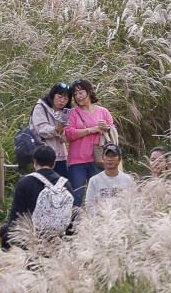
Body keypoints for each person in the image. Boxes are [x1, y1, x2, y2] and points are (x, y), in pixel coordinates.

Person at [7, 144, 74, 241]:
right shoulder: (65, 184)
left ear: (35, 162)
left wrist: (14, 240)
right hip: (58, 241)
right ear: (54, 163)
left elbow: (17, 216)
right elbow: (72, 214)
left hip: (32, 240)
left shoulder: (25, 182)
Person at [64, 79, 115, 207]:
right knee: (76, 196)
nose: (78, 97)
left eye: (80, 93)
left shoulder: (103, 112)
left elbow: (113, 132)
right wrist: (91, 130)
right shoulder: (72, 113)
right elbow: (69, 133)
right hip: (77, 161)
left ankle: (100, 219)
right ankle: (74, 220)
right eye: (75, 94)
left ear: (89, 91)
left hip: (97, 159)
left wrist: (107, 127)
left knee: (100, 196)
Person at [26, 84, 71, 177]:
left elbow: (66, 138)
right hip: (44, 155)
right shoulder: (40, 107)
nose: (62, 101)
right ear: (53, 95)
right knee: (44, 183)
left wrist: (63, 129)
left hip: (61, 156)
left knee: (61, 184)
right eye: (60, 97)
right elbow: (42, 130)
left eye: (66, 98)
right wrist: (57, 129)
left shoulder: (64, 112)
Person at [82, 143, 136, 212]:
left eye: (113, 156)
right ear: (102, 158)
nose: (110, 159)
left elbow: (134, 202)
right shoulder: (94, 181)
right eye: (107, 156)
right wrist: (100, 214)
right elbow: (89, 204)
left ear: (119, 159)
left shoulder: (127, 179)